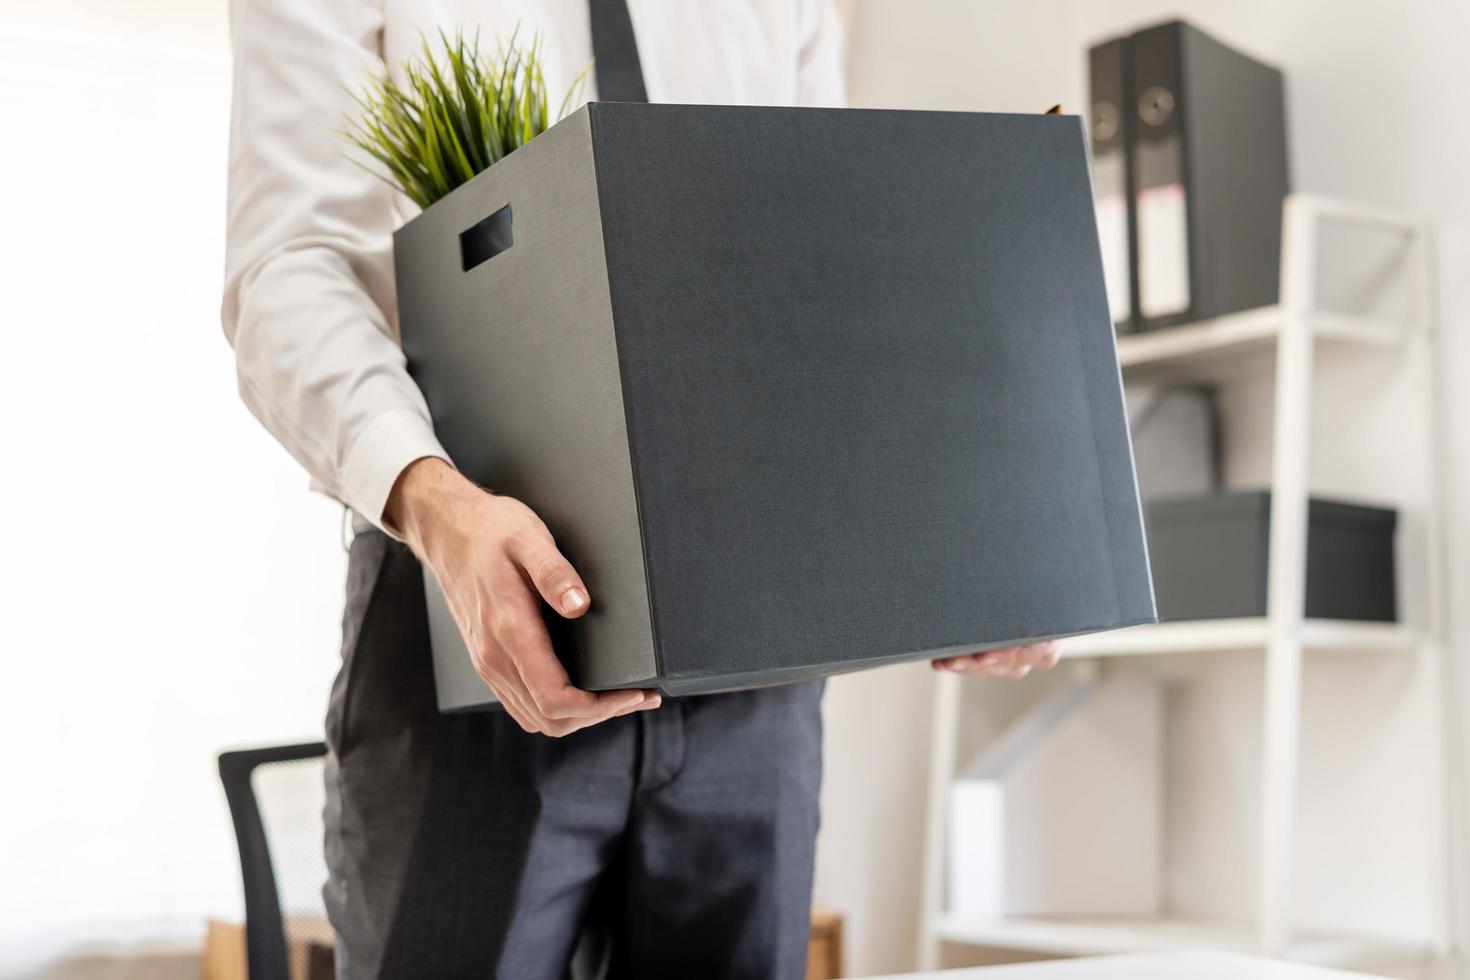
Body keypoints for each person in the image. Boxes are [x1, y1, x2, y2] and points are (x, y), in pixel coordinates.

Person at [222, 1, 1061, 976]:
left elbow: (820, 256)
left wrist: (967, 537)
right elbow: (290, 264)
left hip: (756, 633)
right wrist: (436, 504)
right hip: (472, 604)